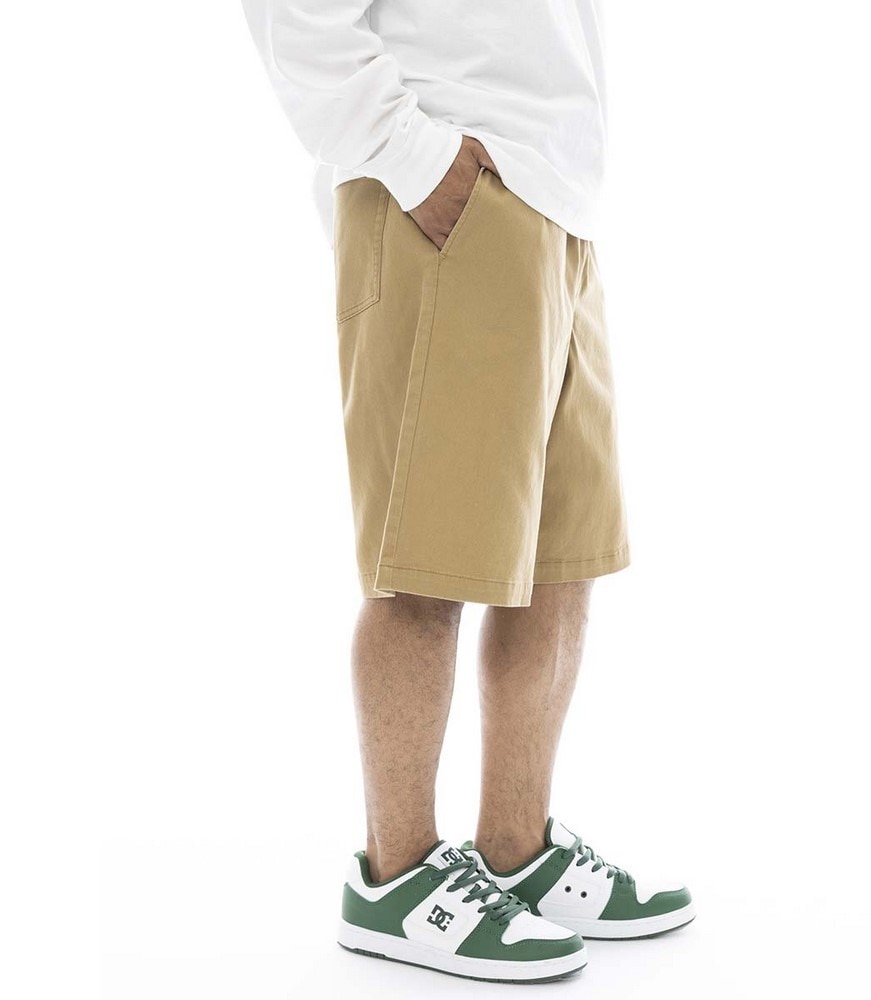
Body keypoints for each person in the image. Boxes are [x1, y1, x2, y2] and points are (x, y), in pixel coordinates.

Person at [242, 0, 693, 982]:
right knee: (427, 567)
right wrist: (416, 159)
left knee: (561, 562)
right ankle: (394, 878)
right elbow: (298, 17)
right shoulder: (437, 174)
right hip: (449, 191)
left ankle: (515, 851)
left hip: (557, 200)